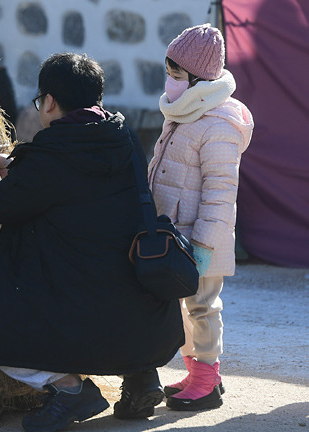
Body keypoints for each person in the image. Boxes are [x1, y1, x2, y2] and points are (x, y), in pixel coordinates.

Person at [0, 53, 185, 432]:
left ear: (48, 102)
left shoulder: (53, 156)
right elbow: (75, 183)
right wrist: (19, 164)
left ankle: (69, 389)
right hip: (147, 325)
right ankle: (141, 376)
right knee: (105, 275)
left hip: (88, 324)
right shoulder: (121, 137)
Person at [149, 24, 254, 411]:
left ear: (197, 78)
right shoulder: (186, 110)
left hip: (200, 239)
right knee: (185, 308)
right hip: (176, 235)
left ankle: (207, 382)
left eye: (176, 76)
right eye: (169, 74)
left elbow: (220, 192)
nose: (169, 82)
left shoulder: (219, 123)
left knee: (202, 307)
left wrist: (205, 246)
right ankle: (199, 373)